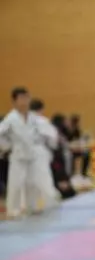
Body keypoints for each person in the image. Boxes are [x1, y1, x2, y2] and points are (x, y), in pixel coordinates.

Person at [0, 88, 59, 217]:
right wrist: (7, 147)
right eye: (20, 98)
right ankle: (13, 210)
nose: (24, 101)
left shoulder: (37, 119)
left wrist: (49, 146)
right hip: (18, 153)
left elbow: (52, 134)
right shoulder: (10, 119)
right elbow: (1, 135)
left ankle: (44, 206)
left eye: (26, 98)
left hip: (36, 152)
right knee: (16, 183)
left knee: (40, 181)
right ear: (14, 101)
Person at [29, 99, 60, 209]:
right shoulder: (42, 121)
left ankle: (31, 206)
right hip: (38, 151)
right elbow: (53, 139)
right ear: (41, 109)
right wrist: (52, 148)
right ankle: (51, 203)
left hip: (22, 153)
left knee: (29, 180)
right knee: (44, 178)